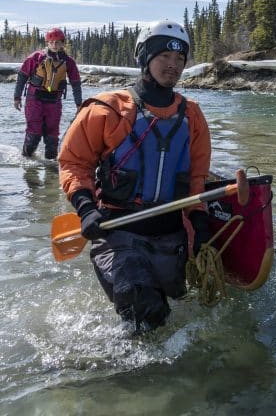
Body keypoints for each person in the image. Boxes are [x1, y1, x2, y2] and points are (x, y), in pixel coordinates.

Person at [58, 20, 212, 333]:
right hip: (118, 237)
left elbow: (197, 179)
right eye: (164, 57)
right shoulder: (106, 109)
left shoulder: (192, 115)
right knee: (148, 312)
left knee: (176, 307)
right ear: (144, 57)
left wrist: (200, 223)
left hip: (171, 238)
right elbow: (74, 163)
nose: (173, 65)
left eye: (180, 59)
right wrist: (86, 209)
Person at [13, 28, 82, 159]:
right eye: (51, 42)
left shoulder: (69, 62)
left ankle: (51, 171)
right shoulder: (36, 57)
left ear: (63, 43)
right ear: (47, 43)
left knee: (52, 138)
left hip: (54, 101)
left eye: (57, 42)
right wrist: (17, 97)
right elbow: (22, 77)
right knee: (34, 134)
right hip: (34, 99)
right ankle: (27, 163)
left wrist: (79, 104)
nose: (54, 45)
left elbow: (76, 83)